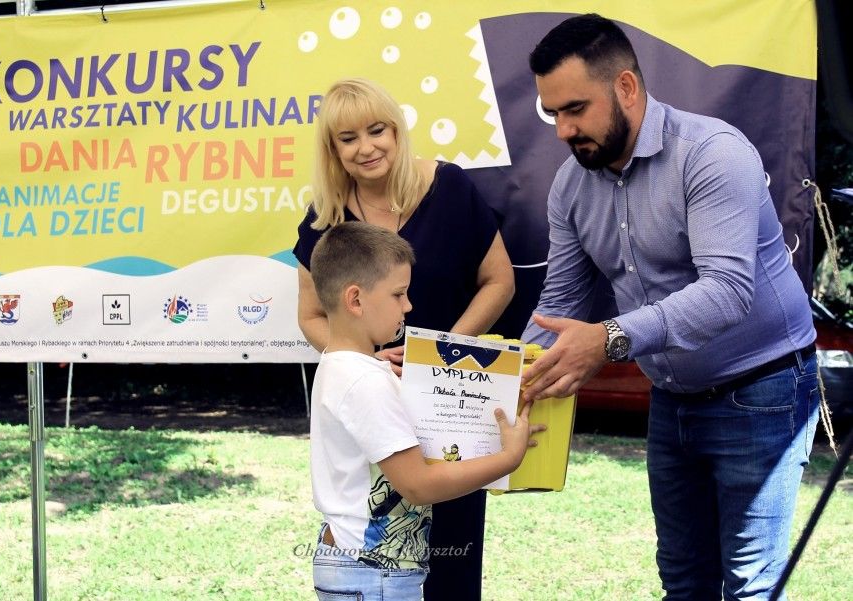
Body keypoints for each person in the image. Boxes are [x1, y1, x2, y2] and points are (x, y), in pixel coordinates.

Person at [520, 14, 820, 601]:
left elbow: (727, 291)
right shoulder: (570, 186)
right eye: (552, 113)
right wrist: (477, 379)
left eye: (575, 109)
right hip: (672, 399)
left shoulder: (712, 152)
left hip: (763, 389)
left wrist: (607, 338)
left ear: (626, 87)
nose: (562, 130)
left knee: (751, 587)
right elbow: (558, 307)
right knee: (682, 583)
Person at [294, 77, 515, 599]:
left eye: (377, 130)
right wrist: (368, 362)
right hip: (377, 415)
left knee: (453, 560)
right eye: (348, 138)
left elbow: (500, 281)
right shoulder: (325, 217)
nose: (366, 147)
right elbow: (310, 316)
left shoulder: (451, 188)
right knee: (386, 539)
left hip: (452, 404)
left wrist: (438, 356)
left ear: (397, 130)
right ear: (333, 149)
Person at [307, 221, 539, 600]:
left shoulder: (340, 364)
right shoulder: (366, 381)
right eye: (398, 294)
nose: (408, 305)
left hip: (355, 563)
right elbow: (418, 485)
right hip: (374, 572)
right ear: (355, 300)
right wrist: (508, 458)